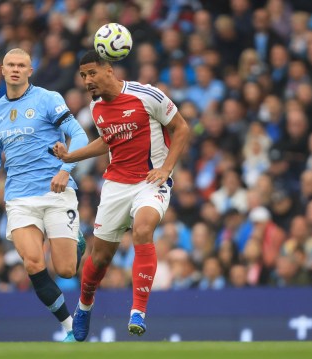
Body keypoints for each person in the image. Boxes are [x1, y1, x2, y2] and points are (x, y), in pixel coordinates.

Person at [53, 50, 190, 340]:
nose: (87, 80)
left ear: (109, 70)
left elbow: (181, 129)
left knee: (143, 230)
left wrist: (166, 168)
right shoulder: (96, 108)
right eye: (83, 76)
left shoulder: (147, 95)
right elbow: (107, 141)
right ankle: (84, 306)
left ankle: (138, 311)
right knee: (100, 258)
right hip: (116, 185)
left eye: (91, 73)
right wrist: (71, 155)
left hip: (151, 181)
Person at [0, 48, 88, 342]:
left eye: (21, 65)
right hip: (19, 198)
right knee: (33, 264)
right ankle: (68, 328)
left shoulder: (48, 99)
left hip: (55, 190)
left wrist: (66, 169)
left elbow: (80, 136)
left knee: (65, 270)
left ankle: (77, 238)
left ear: (30, 71)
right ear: (1, 70)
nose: (15, 69)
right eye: (10, 65)